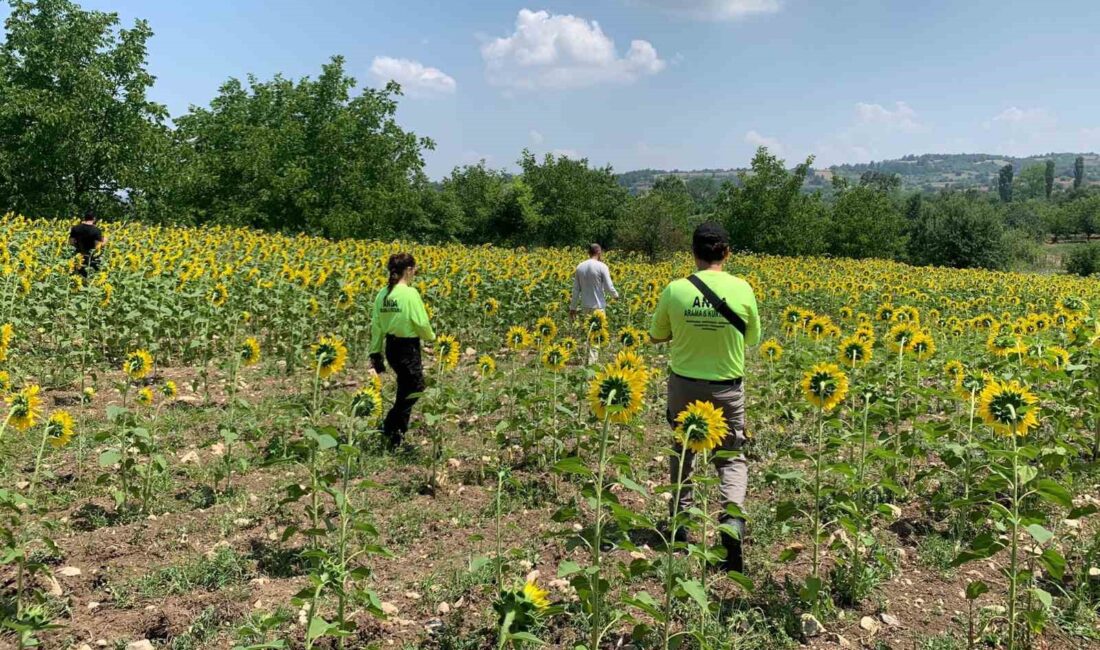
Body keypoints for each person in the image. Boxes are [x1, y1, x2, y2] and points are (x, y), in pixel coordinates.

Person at [648, 222, 761, 573]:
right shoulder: (743, 289)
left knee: (682, 452)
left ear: (693, 252)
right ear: (726, 252)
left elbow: (656, 335)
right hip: (727, 387)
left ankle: (680, 527)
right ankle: (731, 522)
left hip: (685, 384)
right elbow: (752, 339)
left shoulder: (675, 290)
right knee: (730, 457)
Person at [368, 253, 435, 449]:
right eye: (414, 269)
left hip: (391, 347)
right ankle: (392, 429)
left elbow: (376, 325)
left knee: (406, 388)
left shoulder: (383, 294)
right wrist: (431, 337)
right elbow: (421, 322)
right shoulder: (409, 293)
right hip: (407, 347)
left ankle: (394, 434)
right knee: (415, 387)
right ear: (408, 270)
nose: (415, 273)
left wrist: (375, 352)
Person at [570, 243, 619, 364]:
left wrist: (573, 307)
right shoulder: (602, 266)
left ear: (589, 252)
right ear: (599, 252)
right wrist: (616, 295)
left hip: (585, 305)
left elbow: (576, 289)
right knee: (597, 334)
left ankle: (588, 360)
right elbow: (608, 286)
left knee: (588, 332)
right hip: (598, 306)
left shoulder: (580, 266)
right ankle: (592, 363)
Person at [69, 209, 105, 277]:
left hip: (78, 257)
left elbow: (71, 242)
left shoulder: (75, 228)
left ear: (84, 218)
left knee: (76, 275)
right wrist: (104, 241)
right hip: (90, 259)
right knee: (89, 277)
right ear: (94, 219)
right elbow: (97, 247)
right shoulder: (96, 230)